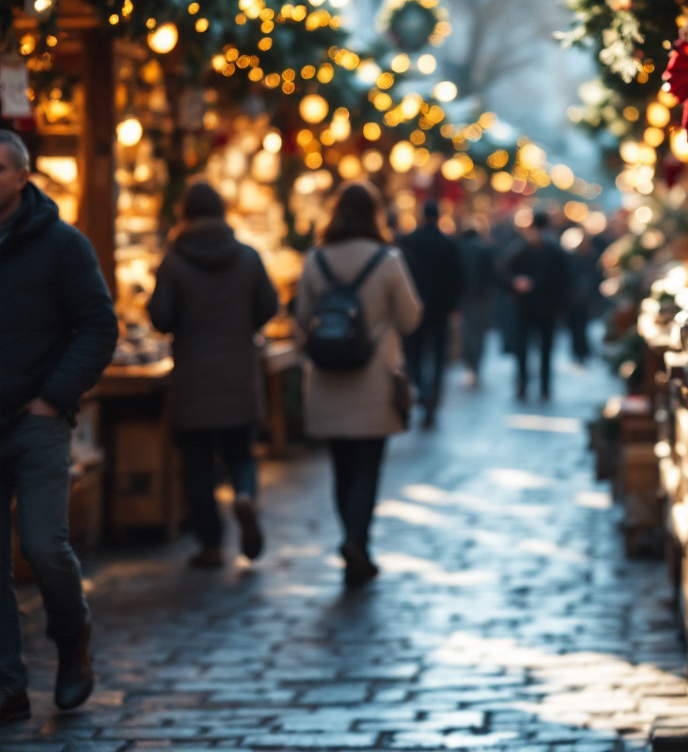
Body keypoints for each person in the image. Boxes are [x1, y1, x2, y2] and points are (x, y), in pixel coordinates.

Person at [0, 130, 118, 720]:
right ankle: (7, 685)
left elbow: (99, 326)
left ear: (22, 176)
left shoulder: (62, 245)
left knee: (45, 546)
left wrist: (53, 397)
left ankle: (73, 642)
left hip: (37, 420)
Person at [295, 183, 422, 587]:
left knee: (341, 468)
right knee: (367, 466)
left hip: (329, 380)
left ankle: (350, 538)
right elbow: (410, 318)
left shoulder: (316, 260)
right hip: (375, 381)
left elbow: (301, 318)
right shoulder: (387, 260)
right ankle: (357, 543)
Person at [148, 182, 280, 569]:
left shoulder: (174, 261)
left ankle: (210, 544)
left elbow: (161, 317)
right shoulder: (248, 257)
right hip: (239, 372)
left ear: (184, 213)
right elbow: (269, 306)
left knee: (198, 464)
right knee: (241, 452)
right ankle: (243, 495)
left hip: (193, 377)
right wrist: (244, 325)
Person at [395, 200, 464, 427]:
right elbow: (457, 279)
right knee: (437, 355)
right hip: (440, 309)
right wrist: (454, 307)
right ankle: (432, 396)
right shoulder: (447, 244)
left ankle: (421, 390)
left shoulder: (407, 242)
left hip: (415, 307)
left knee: (414, 352)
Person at [504, 211, 567, 400]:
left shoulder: (522, 248)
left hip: (528, 307)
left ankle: (525, 383)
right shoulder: (553, 250)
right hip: (541, 308)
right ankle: (543, 385)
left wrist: (516, 283)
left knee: (525, 347)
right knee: (544, 348)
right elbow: (564, 280)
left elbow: (504, 271)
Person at [456, 217, 495, 385]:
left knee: (467, 331)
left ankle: (471, 361)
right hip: (480, 298)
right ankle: (476, 361)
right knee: (478, 332)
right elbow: (490, 275)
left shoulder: (460, 249)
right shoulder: (483, 249)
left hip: (466, 298)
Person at [564, 227, 603, 365]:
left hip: (585, 298)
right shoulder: (570, 258)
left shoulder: (591, 256)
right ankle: (578, 352)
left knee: (583, 326)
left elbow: (596, 277)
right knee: (575, 327)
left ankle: (583, 351)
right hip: (573, 299)